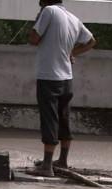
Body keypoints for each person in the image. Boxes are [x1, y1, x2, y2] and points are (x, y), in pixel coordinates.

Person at [28, 0, 96, 177]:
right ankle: (63, 161)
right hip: (66, 79)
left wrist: (36, 21)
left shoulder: (48, 11)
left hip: (49, 77)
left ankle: (47, 166)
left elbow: (34, 39)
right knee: (63, 118)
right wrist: (71, 53)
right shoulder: (73, 18)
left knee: (49, 119)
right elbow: (91, 41)